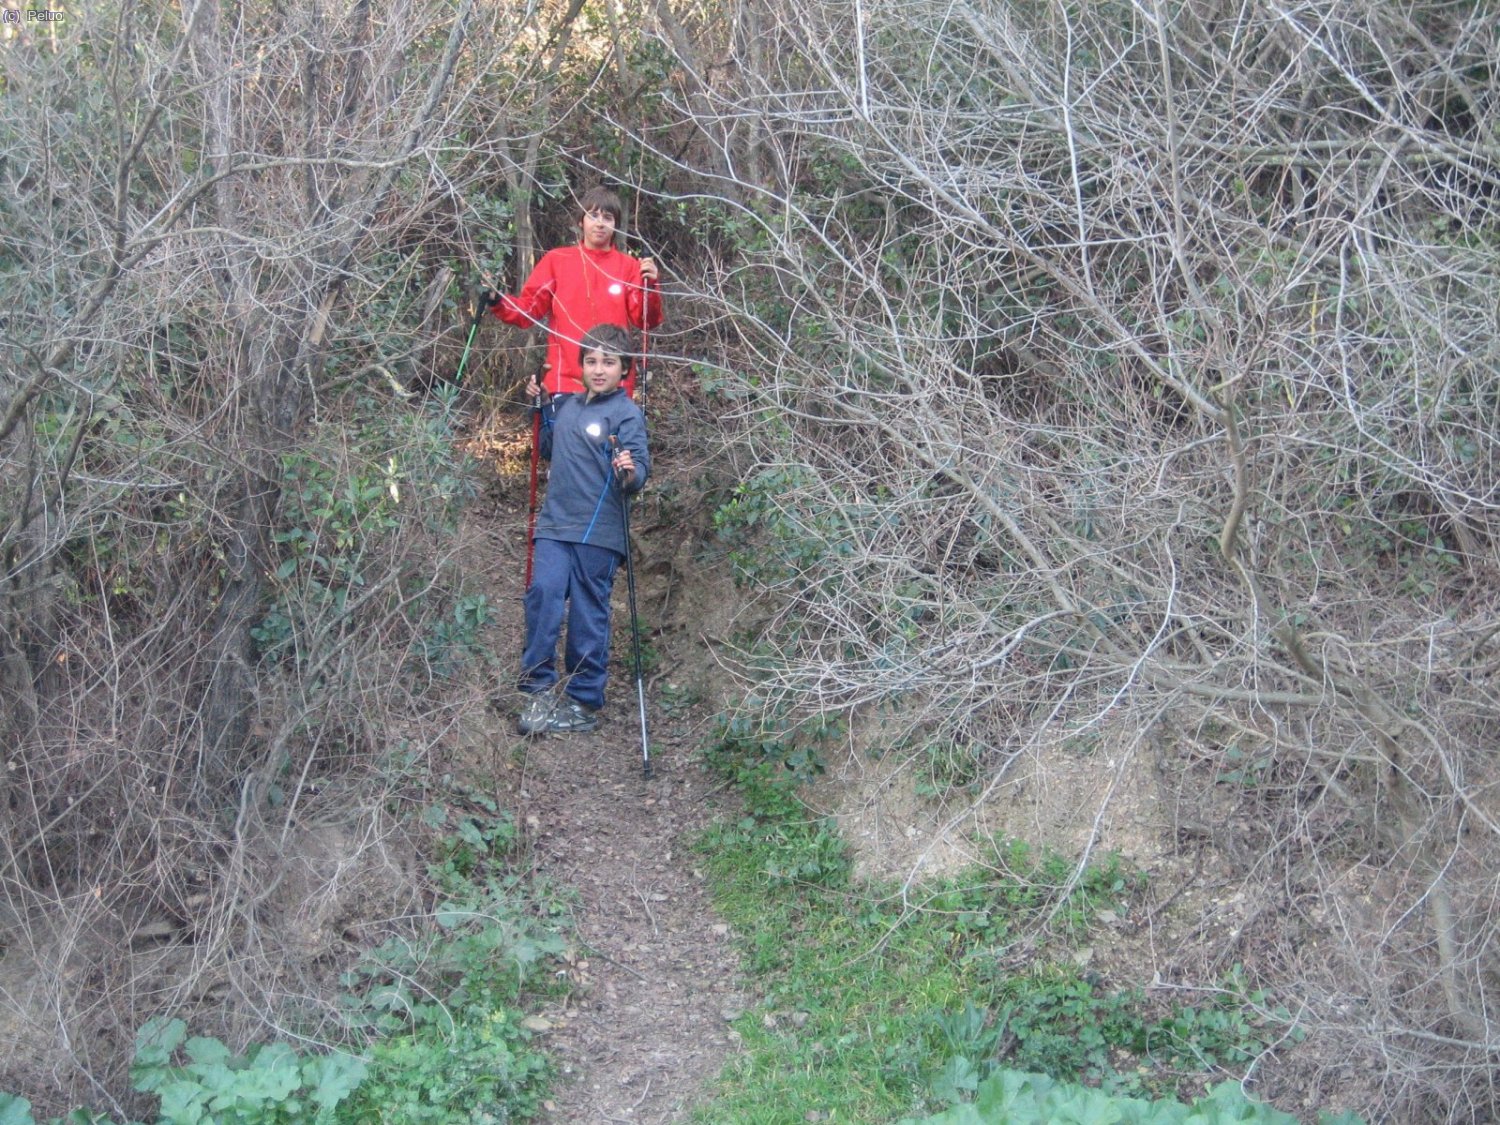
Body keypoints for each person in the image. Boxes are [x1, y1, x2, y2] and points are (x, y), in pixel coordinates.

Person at [516, 324, 650, 735]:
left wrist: (629, 472)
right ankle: (536, 687)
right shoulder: (567, 405)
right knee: (543, 595)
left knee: (588, 615)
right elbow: (548, 447)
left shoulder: (626, 413)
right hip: (555, 524)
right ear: (580, 366)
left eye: (608, 362)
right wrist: (539, 409)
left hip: (600, 532)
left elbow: (639, 470)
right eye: (591, 360)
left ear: (624, 369)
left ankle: (582, 701)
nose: (598, 369)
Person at [485, 185, 662, 398]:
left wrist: (650, 285)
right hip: (564, 382)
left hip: (614, 384)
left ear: (616, 225)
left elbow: (646, 320)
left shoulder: (630, 267)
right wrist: (498, 301)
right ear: (581, 221)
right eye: (593, 215)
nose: (600, 223)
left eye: (607, 217)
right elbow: (528, 309)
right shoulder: (557, 260)